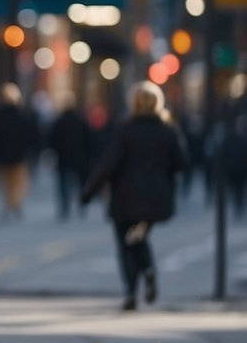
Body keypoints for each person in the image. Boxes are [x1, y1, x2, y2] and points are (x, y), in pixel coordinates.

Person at [80, 81, 188, 311]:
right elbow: (182, 163)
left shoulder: (125, 131)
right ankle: (146, 272)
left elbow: (107, 165)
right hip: (154, 200)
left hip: (125, 200)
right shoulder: (168, 131)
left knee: (128, 244)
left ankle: (131, 290)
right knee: (137, 238)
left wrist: (88, 192)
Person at [0, 83, 38, 220]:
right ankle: (15, 204)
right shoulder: (22, 115)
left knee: (6, 182)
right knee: (18, 182)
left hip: (3, 156)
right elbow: (31, 135)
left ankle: (10, 204)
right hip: (19, 155)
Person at [47, 93, 92, 220]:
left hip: (63, 157)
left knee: (63, 183)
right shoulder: (80, 121)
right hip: (79, 157)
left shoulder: (59, 121)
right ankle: (81, 203)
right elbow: (88, 139)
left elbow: (52, 140)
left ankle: (64, 206)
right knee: (79, 182)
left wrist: (54, 151)